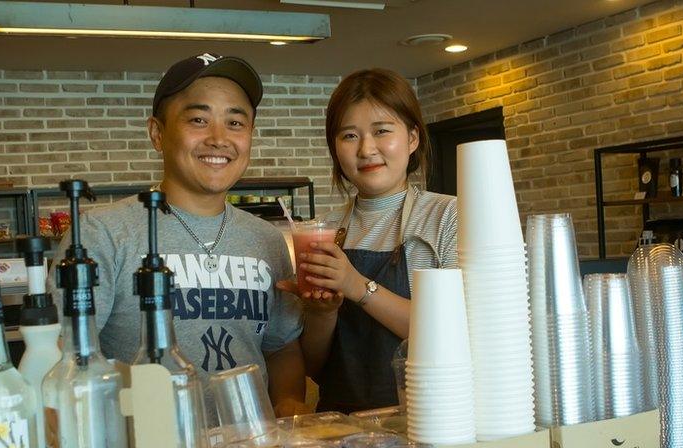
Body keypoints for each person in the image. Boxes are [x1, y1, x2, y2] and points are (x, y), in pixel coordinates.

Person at [47, 53, 307, 417]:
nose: (219, 139)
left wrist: (289, 407)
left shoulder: (266, 239)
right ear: (157, 133)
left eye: (235, 122)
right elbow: (67, 358)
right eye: (199, 120)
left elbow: (281, 347)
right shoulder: (101, 233)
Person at [279, 68, 458, 413]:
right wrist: (322, 313)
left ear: (412, 138)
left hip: (428, 420)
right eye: (349, 136)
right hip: (342, 430)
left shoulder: (447, 216)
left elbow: (451, 336)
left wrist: (356, 286)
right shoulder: (325, 232)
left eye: (381, 131)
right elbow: (315, 368)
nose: (366, 148)